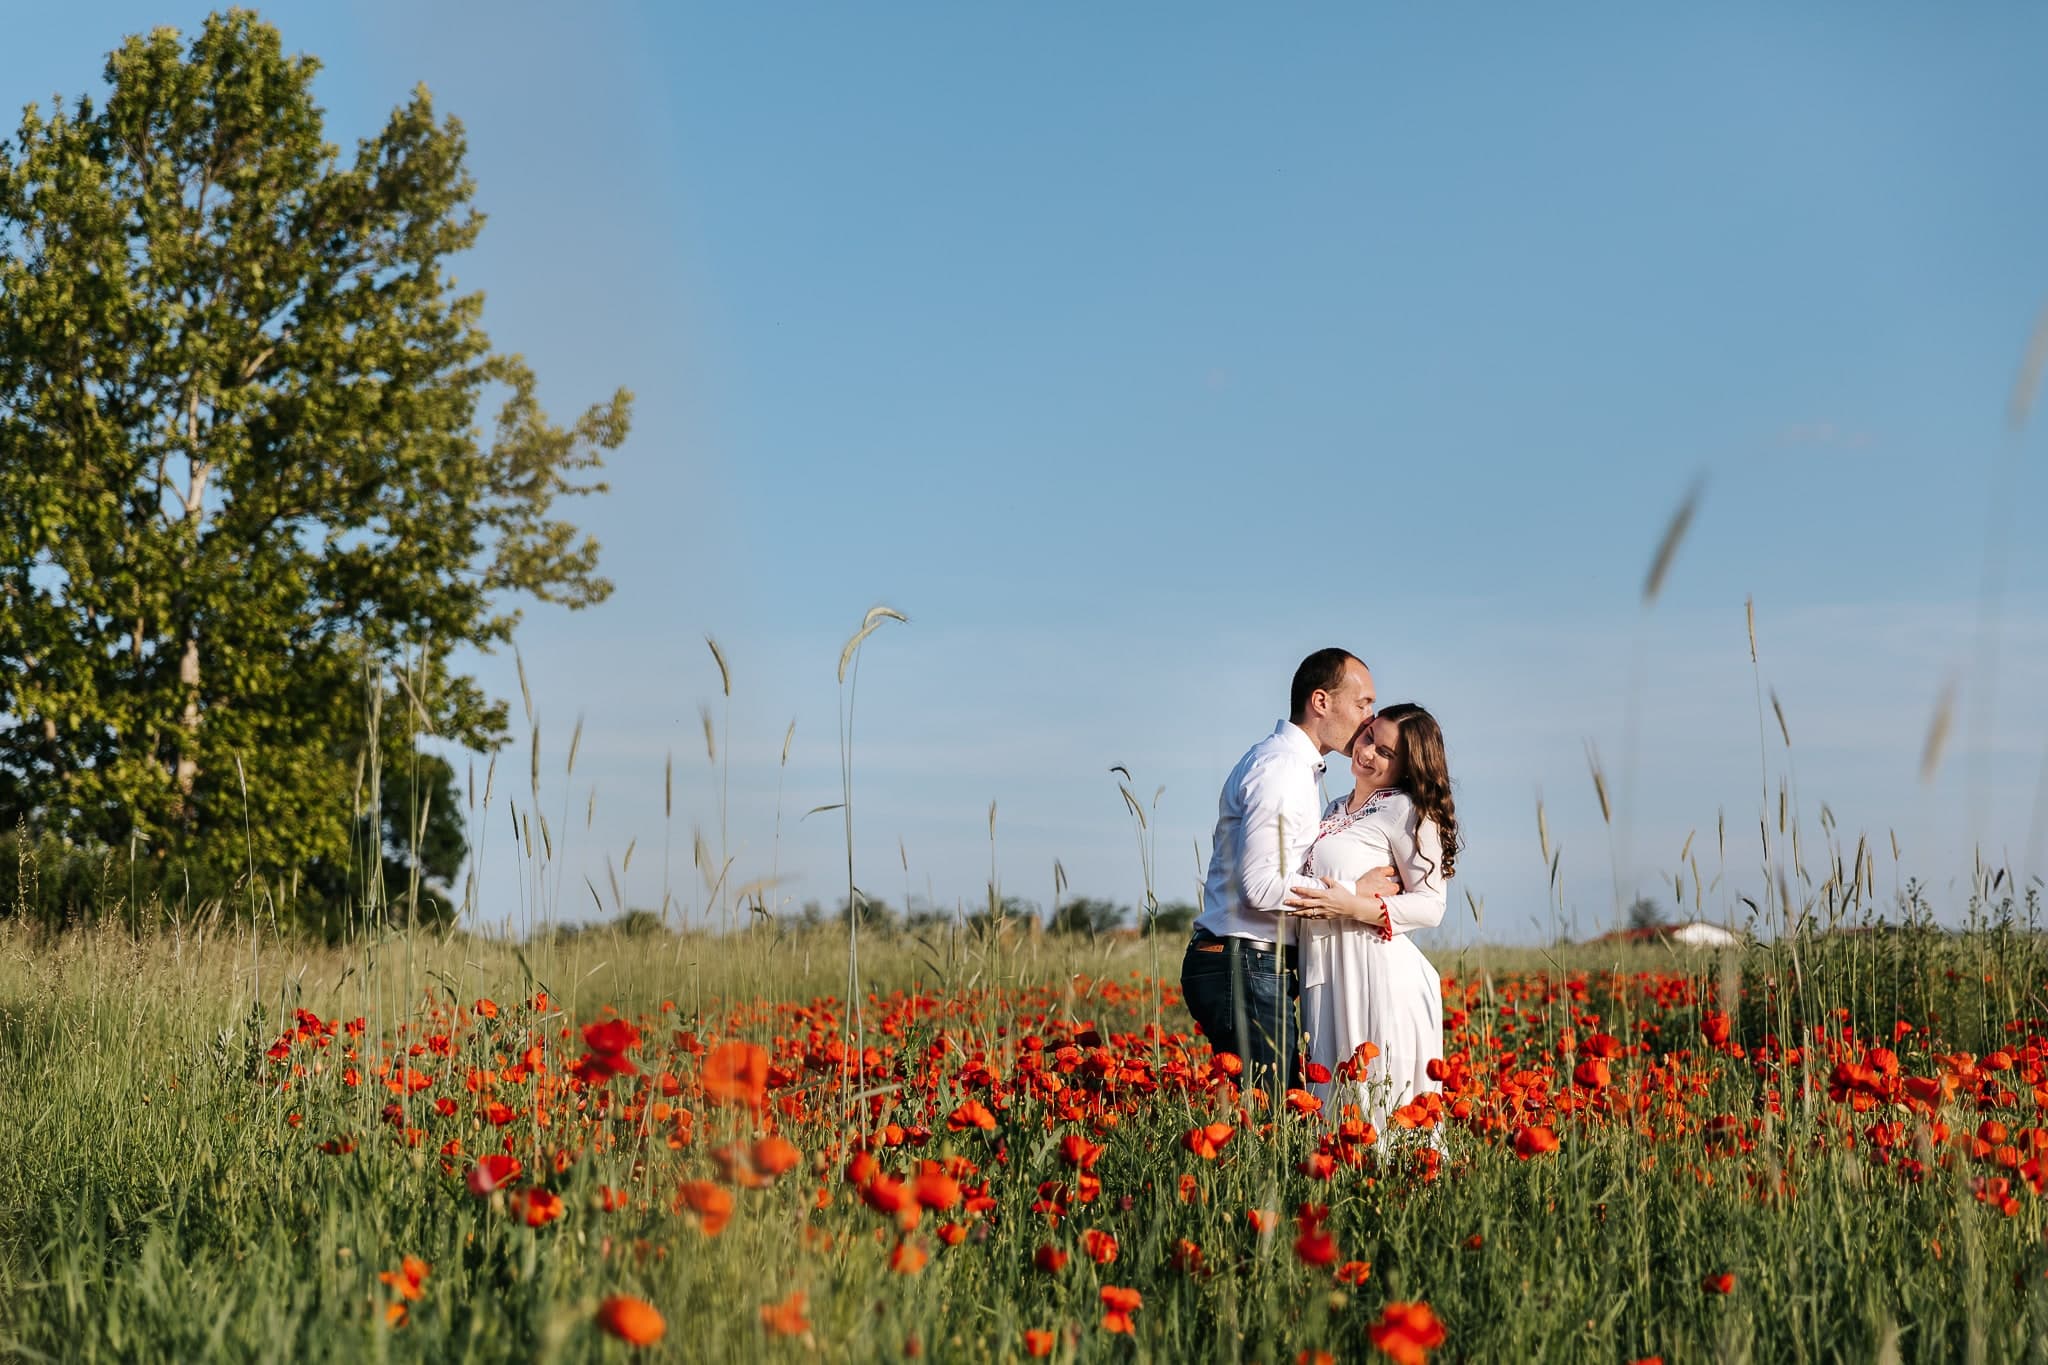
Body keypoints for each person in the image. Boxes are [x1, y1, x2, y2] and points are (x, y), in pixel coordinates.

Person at [1180, 648, 1396, 1090]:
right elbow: (1260, 887)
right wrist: (1352, 891)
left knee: (1271, 1112)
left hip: (1250, 962)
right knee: (1274, 1115)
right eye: (1362, 704)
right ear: (1321, 702)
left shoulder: (1294, 767)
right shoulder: (1281, 769)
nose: (1370, 719)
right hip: (1242, 961)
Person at [1286, 703, 1460, 1136]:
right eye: (1369, 738)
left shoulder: (1406, 810)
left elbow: (1431, 905)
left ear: (1406, 765)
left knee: (1380, 1107)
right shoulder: (1330, 811)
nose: (1368, 753)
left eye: (1385, 752)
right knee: (1333, 1111)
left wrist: (1353, 906)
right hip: (1325, 968)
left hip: (1377, 973)